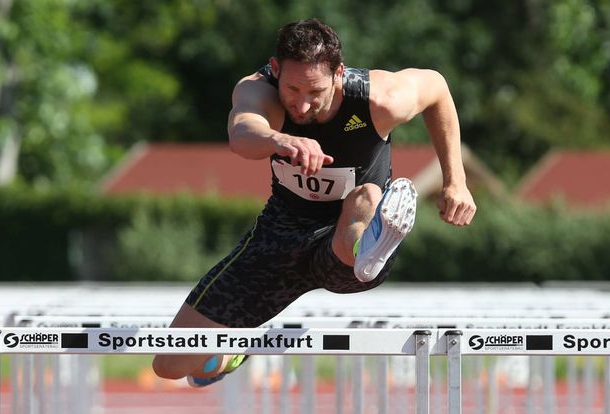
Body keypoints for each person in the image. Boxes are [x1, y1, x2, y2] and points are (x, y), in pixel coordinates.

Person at [152, 18, 476, 386]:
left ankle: (369, 247)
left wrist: (456, 181)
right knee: (169, 362)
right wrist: (279, 139)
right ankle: (229, 355)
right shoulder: (260, 90)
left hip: (344, 243)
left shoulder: (379, 99)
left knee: (367, 196)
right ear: (276, 70)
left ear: (338, 74)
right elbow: (242, 132)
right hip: (279, 235)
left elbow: (436, 87)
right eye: (292, 89)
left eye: (315, 91)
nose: (302, 105)